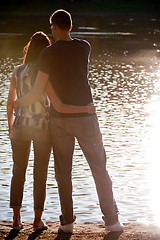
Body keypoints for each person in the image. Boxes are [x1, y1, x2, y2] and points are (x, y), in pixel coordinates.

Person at [14, 10, 124, 233]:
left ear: (54, 27)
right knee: (99, 168)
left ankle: (67, 224)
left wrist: (16, 103)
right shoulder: (85, 47)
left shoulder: (47, 55)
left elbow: (37, 91)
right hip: (86, 119)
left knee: (63, 173)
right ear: (70, 27)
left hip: (60, 120)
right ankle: (112, 221)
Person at [7, 31, 94, 231]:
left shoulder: (17, 71)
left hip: (20, 126)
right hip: (41, 128)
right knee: (40, 174)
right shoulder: (45, 72)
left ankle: (16, 218)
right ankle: (37, 220)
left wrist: (11, 127)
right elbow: (49, 99)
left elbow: (9, 103)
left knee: (18, 172)